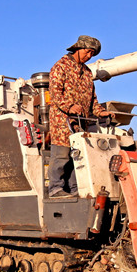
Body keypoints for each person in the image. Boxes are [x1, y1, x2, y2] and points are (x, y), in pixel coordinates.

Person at [48, 35, 113, 197]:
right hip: (62, 121)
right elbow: (55, 94)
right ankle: (55, 188)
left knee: (77, 157)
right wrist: (69, 106)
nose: (89, 56)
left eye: (93, 54)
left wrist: (100, 112)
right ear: (79, 48)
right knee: (61, 155)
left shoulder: (87, 72)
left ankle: (75, 189)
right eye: (88, 52)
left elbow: (92, 100)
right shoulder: (60, 66)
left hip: (81, 123)